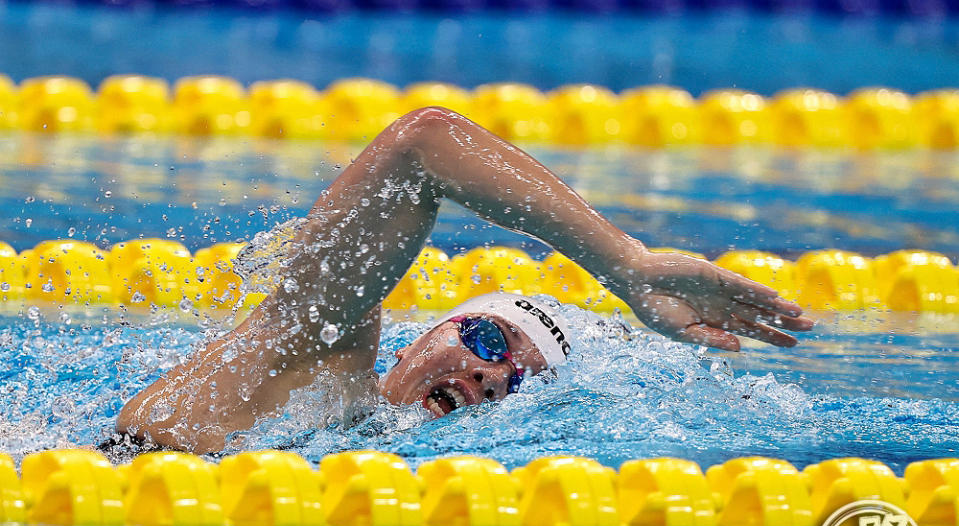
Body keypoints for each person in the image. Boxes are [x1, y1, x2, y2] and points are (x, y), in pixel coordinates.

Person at [114, 107, 813, 454]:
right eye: (486, 336)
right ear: (429, 332)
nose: (487, 373)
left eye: (520, 380)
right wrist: (625, 265)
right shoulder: (320, 356)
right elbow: (424, 145)